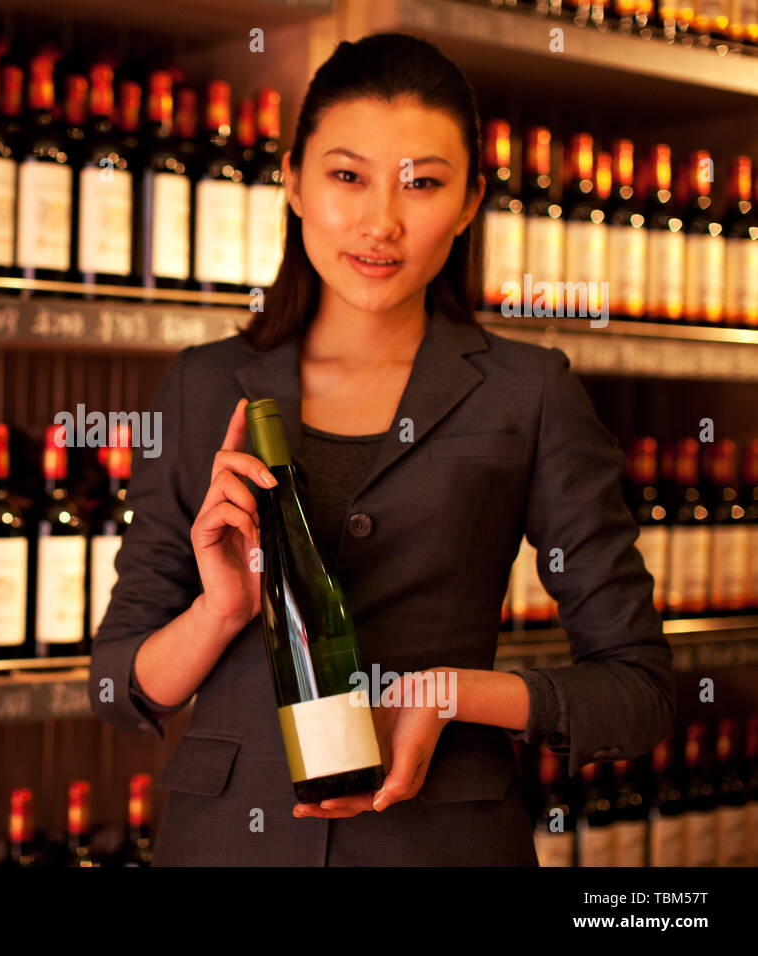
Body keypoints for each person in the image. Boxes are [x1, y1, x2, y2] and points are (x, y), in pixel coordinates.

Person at [88, 32, 674, 865]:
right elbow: (117, 689)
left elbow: (639, 692)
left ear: (470, 201)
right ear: (292, 180)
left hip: (442, 844)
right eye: (346, 176)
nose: (380, 222)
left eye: (423, 184)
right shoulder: (204, 386)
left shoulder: (528, 392)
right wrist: (220, 612)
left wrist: (451, 695)